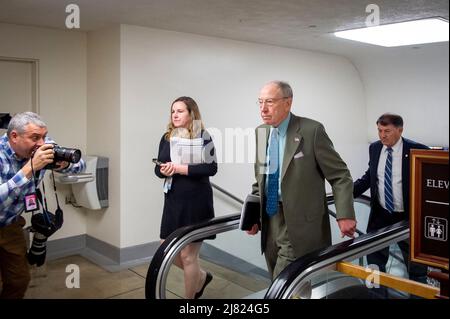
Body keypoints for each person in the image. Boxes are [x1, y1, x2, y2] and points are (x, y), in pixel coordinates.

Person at [247, 81, 356, 279]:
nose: (263, 109)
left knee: (283, 283)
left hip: (300, 222)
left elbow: (340, 175)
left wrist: (345, 214)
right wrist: (253, 213)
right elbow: (261, 178)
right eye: (260, 102)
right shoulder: (261, 132)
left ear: (288, 103)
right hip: (270, 217)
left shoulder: (311, 131)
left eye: (270, 102)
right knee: (281, 279)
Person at [0, 112, 85, 299]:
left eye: (44, 136)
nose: (42, 143)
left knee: (19, 279)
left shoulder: (42, 145)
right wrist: (29, 169)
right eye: (35, 137)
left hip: (10, 225)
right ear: (14, 136)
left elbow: (80, 164)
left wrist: (62, 165)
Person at [353, 113, 429, 283]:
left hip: (407, 218)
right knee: (374, 264)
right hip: (380, 216)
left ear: (400, 130)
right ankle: (375, 294)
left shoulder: (418, 150)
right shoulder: (375, 148)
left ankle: (418, 294)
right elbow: (369, 178)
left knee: (416, 267)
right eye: (379, 130)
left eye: (387, 131)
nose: (382, 135)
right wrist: (345, 194)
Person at [154, 96, 217, 299]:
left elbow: (211, 168)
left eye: (180, 111)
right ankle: (201, 276)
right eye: (173, 111)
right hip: (173, 200)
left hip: (196, 202)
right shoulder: (167, 137)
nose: (175, 114)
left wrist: (180, 168)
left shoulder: (203, 136)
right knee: (167, 249)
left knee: (188, 256)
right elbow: (158, 169)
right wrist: (164, 170)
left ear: (192, 114)